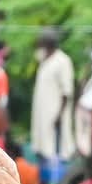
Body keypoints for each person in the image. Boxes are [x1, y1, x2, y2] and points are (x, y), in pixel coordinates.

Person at [30, 30, 79, 166]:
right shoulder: (44, 60)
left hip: (55, 111)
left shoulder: (63, 61)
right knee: (42, 143)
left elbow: (66, 91)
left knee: (56, 146)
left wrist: (59, 114)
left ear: (48, 44)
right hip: (42, 111)